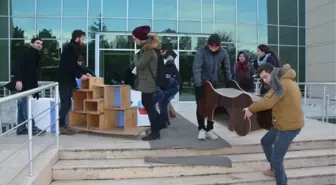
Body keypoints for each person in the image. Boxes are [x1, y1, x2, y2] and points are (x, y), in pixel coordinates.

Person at [243, 63, 304, 185]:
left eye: (265, 77)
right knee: (266, 141)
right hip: (283, 123)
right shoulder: (286, 81)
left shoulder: (281, 84)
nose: (264, 80)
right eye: (262, 79)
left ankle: (281, 180)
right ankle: (274, 169)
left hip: (288, 127)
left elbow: (268, 102)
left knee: (277, 158)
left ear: (272, 72)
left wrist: (250, 109)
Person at [193, 33, 231, 140]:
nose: (213, 48)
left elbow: (226, 67)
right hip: (201, 83)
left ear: (219, 46)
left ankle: (210, 129)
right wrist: (198, 84)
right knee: (201, 106)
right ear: (208, 45)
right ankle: (201, 129)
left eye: (216, 46)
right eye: (211, 46)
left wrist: (229, 81)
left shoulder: (223, 52)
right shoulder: (201, 52)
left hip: (214, 83)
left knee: (212, 107)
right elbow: (197, 68)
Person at [132, 25, 163, 141]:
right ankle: (160, 124)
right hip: (148, 83)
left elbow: (139, 65)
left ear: (140, 38)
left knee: (149, 107)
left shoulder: (148, 51)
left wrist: (135, 56)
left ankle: (155, 132)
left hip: (149, 84)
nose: (134, 41)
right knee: (149, 106)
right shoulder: (148, 48)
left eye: (135, 38)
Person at [57, 30, 91, 135]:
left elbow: (75, 65)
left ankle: (64, 125)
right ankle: (61, 126)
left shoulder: (72, 48)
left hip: (68, 80)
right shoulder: (70, 48)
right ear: (77, 38)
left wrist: (85, 72)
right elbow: (69, 65)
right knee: (65, 103)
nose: (83, 41)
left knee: (67, 103)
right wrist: (80, 76)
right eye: (83, 38)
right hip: (64, 81)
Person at [13, 38, 44, 135]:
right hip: (22, 83)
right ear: (32, 43)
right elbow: (17, 66)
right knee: (25, 104)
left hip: (28, 84)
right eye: (37, 43)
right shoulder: (26, 51)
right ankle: (32, 127)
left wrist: (35, 89)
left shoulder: (36, 55)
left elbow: (33, 73)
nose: (39, 45)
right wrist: (18, 80)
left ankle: (21, 128)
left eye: (41, 44)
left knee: (21, 104)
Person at [158, 43, 180, 125]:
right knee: (165, 102)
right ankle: (169, 116)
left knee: (162, 103)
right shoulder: (168, 59)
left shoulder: (169, 62)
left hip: (172, 87)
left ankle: (164, 121)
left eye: (161, 52)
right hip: (170, 86)